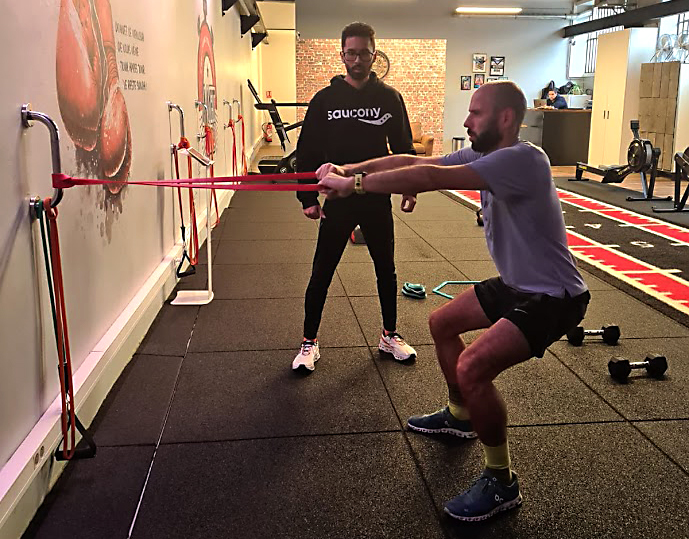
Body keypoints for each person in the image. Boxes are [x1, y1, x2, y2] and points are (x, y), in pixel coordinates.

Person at [317, 81, 590, 521]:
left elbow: (429, 179)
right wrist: (349, 168)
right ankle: (461, 416)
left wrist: (357, 185)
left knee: (472, 368)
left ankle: (501, 482)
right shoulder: (487, 156)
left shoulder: (522, 159)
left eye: (475, 113)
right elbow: (414, 162)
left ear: (505, 118)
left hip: (554, 296)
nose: (466, 121)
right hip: (517, 284)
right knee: (441, 324)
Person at [292, 22, 418, 372]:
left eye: (364, 53)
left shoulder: (389, 98)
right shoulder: (325, 100)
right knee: (322, 271)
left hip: (376, 196)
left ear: (374, 55)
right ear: (342, 55)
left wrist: (410, 186)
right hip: (337, 199)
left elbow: (403, 148)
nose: (358, 59)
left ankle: (389, 335)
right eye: (352, 53)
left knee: (386, 269)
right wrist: (307, 197)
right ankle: (309, 341)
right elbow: (307, 150)